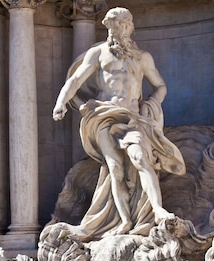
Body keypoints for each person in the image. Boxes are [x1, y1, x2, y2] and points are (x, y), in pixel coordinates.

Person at [52, 7, 185, 241]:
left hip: (133, 117)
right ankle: (124, 220)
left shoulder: (142, 57)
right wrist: (61, 102)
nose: (119, 29)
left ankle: (158, 210)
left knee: (141, 158)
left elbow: (160, 86)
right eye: (114, 25)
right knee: (114, 168)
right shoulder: (99, 54)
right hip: (103, 115)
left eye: (123, 25)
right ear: (108, 28)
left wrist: (151, 102)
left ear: (130, 27)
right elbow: (75, 79)